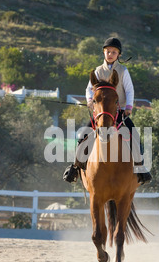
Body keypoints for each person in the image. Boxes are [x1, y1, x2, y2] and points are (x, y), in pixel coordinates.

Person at [63, 37, 152, 185]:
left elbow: (129, 90)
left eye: (114, 52)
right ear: (104, 53)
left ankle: (140, 167)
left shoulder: (123, 71)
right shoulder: (98, 71)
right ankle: (75, 168)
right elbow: (88, 89)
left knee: (134, 135)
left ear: (119, 55)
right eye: (108, 51)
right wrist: (90, 101)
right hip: (101, 114)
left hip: (119, 112)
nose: (110, 54)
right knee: (83, 136)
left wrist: (128, 107)